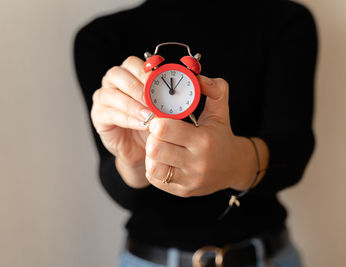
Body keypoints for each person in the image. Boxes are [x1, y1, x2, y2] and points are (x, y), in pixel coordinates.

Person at [73, 0, 317, 266]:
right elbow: (120, 187)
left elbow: (293, 151)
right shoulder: (99, 39)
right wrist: (134, 159)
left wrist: (234, 163)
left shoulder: (286, 20)